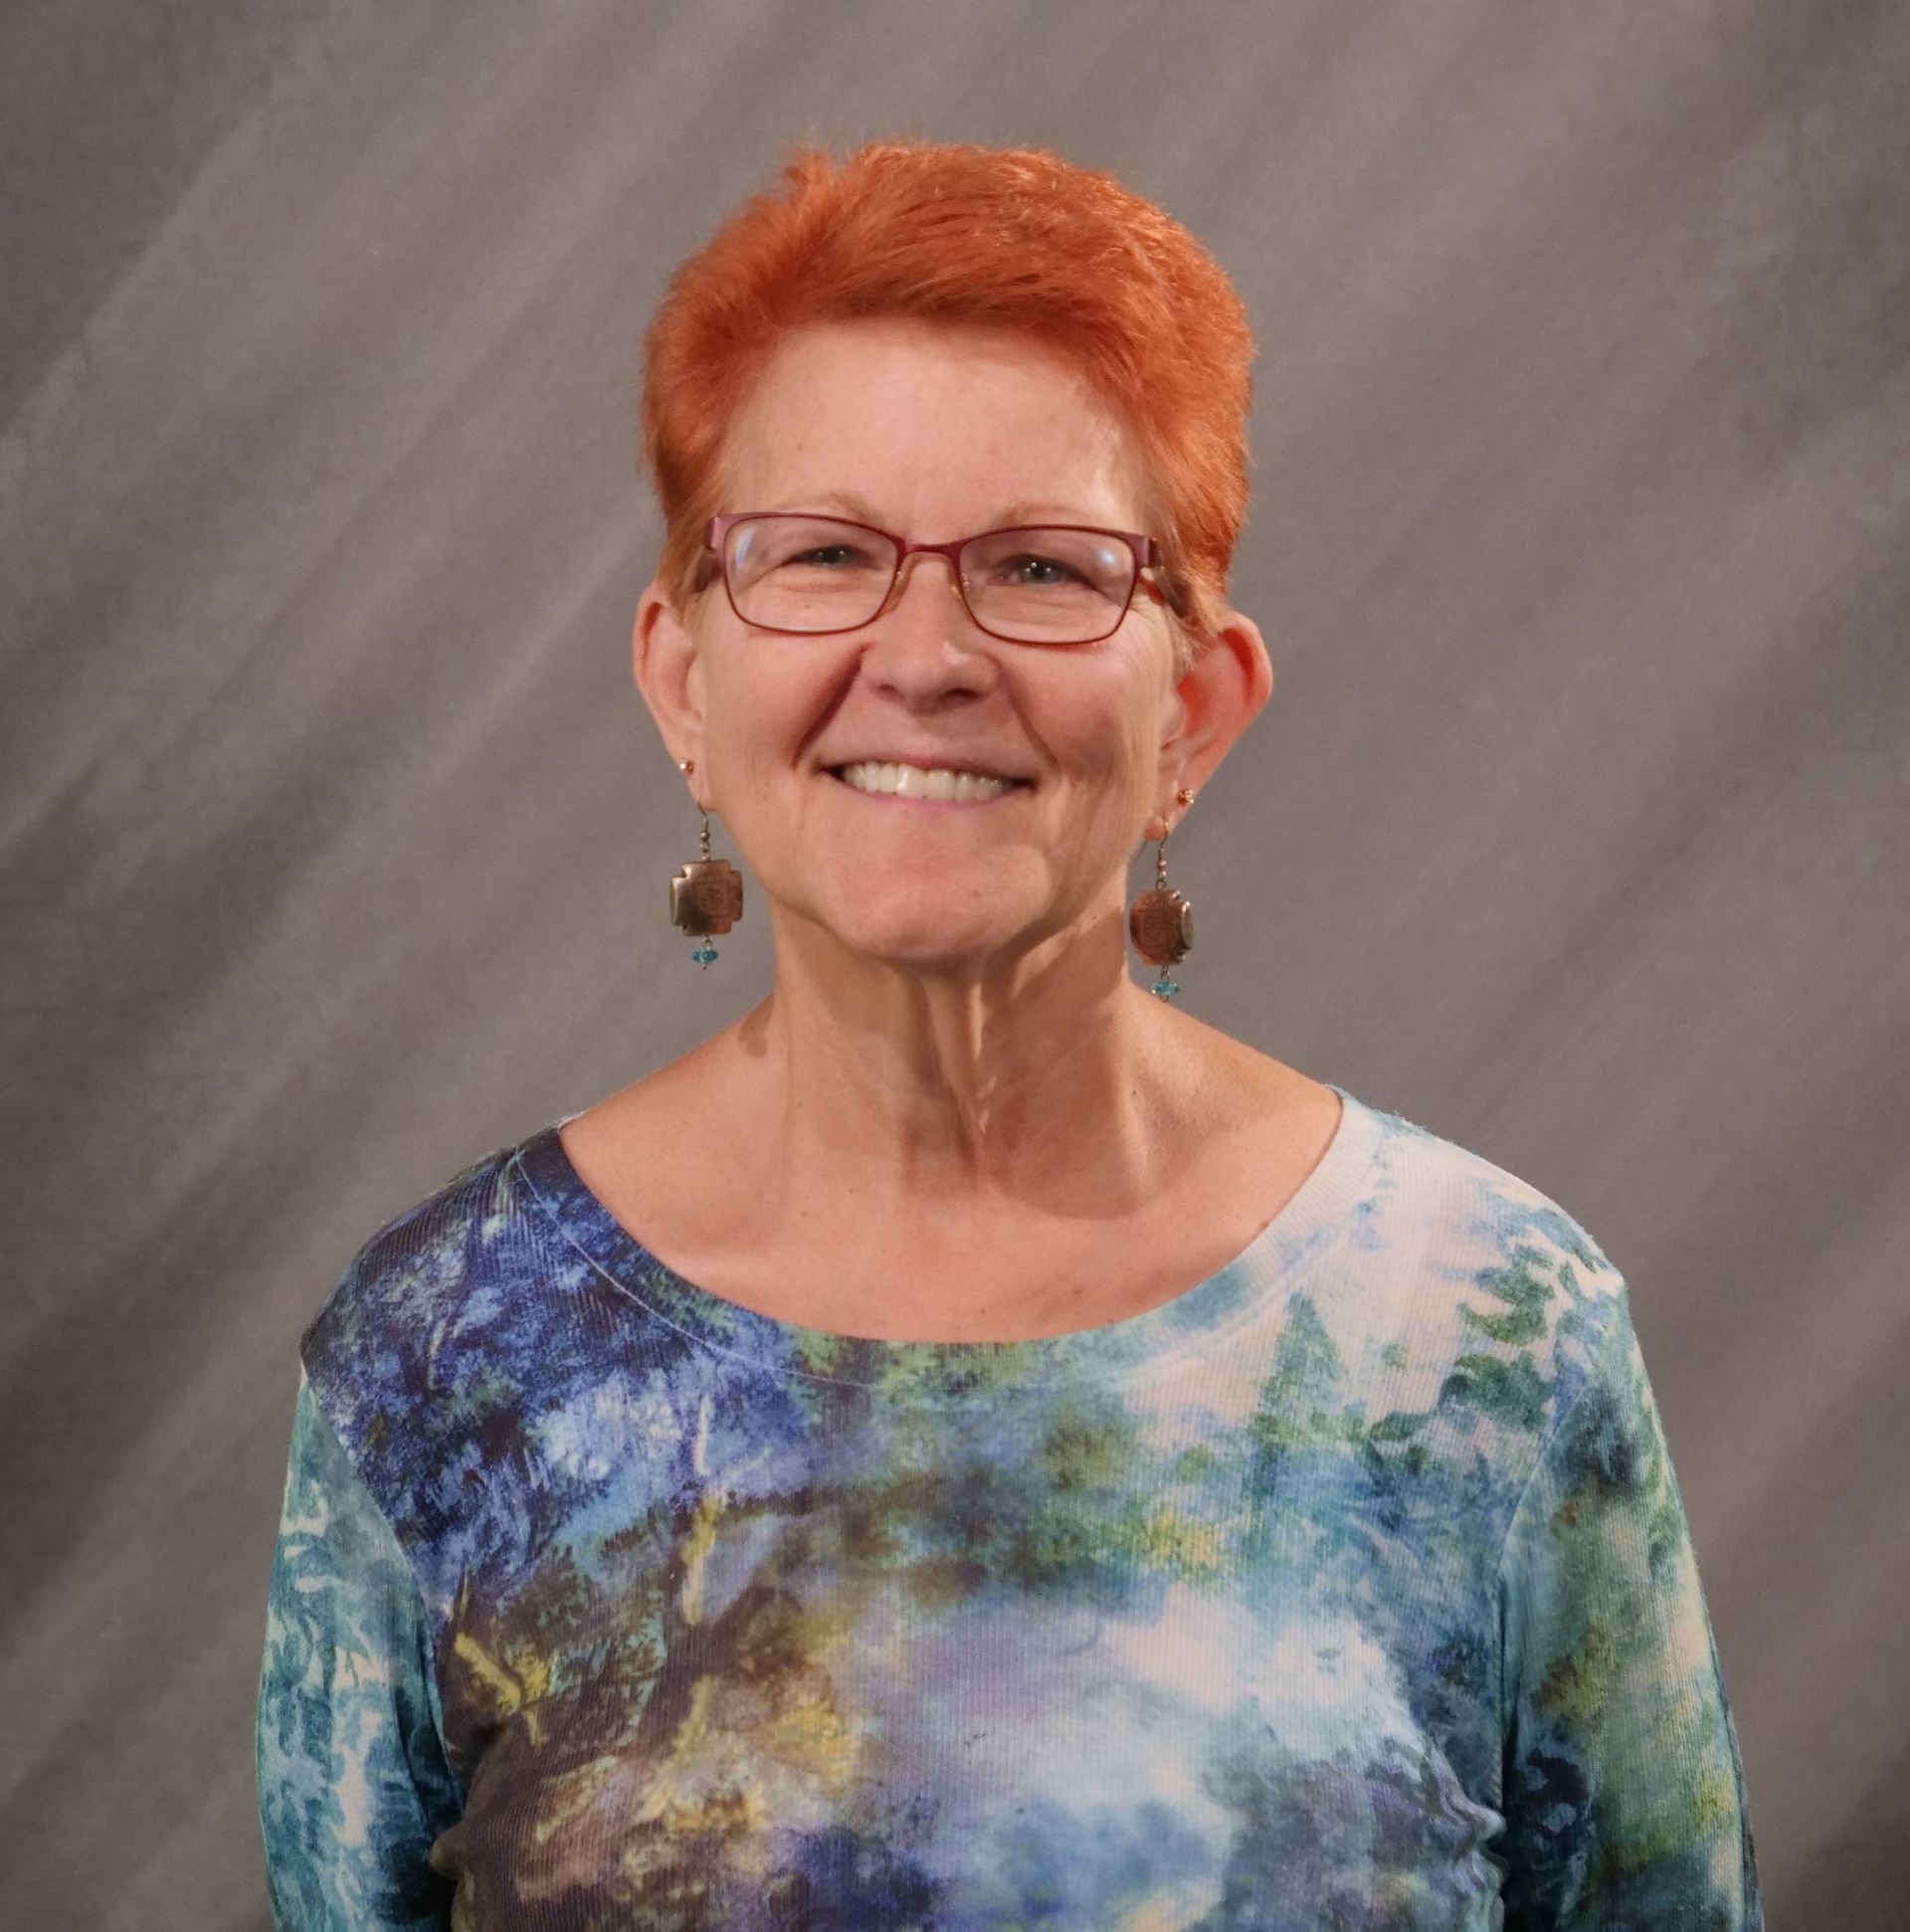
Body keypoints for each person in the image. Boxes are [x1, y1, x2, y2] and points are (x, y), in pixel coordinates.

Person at [255, 138, 1763, 1930]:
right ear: (684, 678)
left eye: (1043, 571)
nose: (928, 654)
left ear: (1195, 711)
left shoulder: (1486, 1338)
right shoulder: (443, 1363)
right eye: (823, 554)